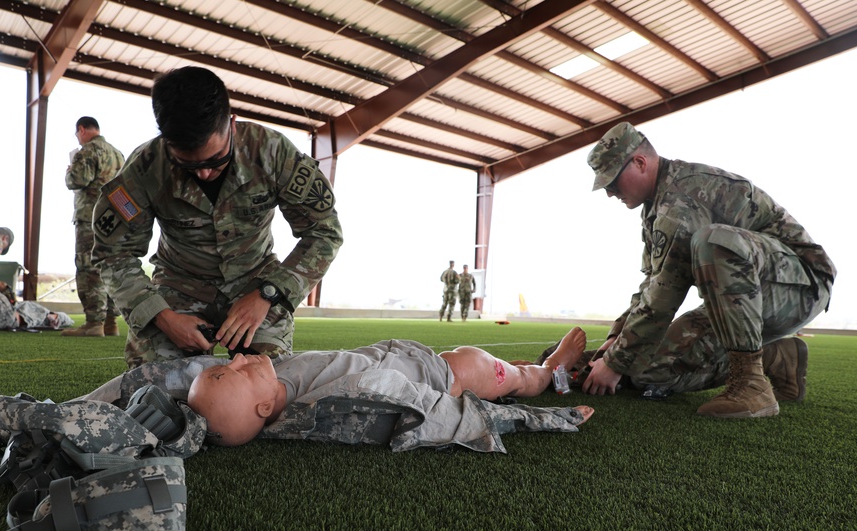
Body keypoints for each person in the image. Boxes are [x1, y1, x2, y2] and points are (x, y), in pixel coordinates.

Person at [92, 66, 343, 368]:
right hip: (178, 287)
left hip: (256, 284)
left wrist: (268, 293)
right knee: (156, 386)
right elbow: (114, 255)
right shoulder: (144, 170)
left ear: (232, 124)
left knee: (263, 386)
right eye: (187, 164)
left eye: (215, 160)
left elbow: (324, 232)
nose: (203, 173)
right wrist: (163, 316)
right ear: (165, 141)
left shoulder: (272, 153)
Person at [581, 122, 836, 418]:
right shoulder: (655, 207)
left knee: (712, 241)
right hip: (747, 303)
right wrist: (616, 342)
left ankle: (751, 383)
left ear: (640, 162)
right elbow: (652, 284)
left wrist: (614, 362)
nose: (610, 192)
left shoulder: (680, 201)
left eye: (612, 181)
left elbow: (663, 298)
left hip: (800, 286)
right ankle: (775, 358)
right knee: (645, 370)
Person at [82, 327, 593, 451]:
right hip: (445, 375)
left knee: (500, 369)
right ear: (262, 406)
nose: (237, 359)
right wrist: (547, 417)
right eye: (237, 371)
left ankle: (530, 370)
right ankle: (552, 371)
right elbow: (439, 412)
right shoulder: (342, 398)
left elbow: (162, 378)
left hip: (401, 353)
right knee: (505, 377)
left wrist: (81, 409)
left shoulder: (260, 384)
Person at [63, 116, 126, 338]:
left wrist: (70, 170)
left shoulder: (87, 151)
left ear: (81, 130)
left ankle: (93, 323)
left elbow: (77, 181)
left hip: (90, 217)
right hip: (115, 219)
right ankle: (111, 322)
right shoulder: (118, 154)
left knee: (88, 266)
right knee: (111, 267)